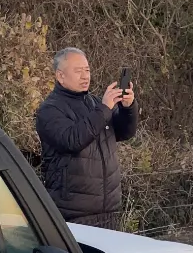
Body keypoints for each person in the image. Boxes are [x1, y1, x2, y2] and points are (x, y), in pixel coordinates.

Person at [34, 47, 141, 228]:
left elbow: (124, 132)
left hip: (109, 210)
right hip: (73, 213)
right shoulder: (50, 110)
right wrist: (104, 109)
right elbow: (73, 140)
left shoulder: (96, 104)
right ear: (60, 76)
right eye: (78, 71)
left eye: (87, 70)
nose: (85, 76)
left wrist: (127, 107)